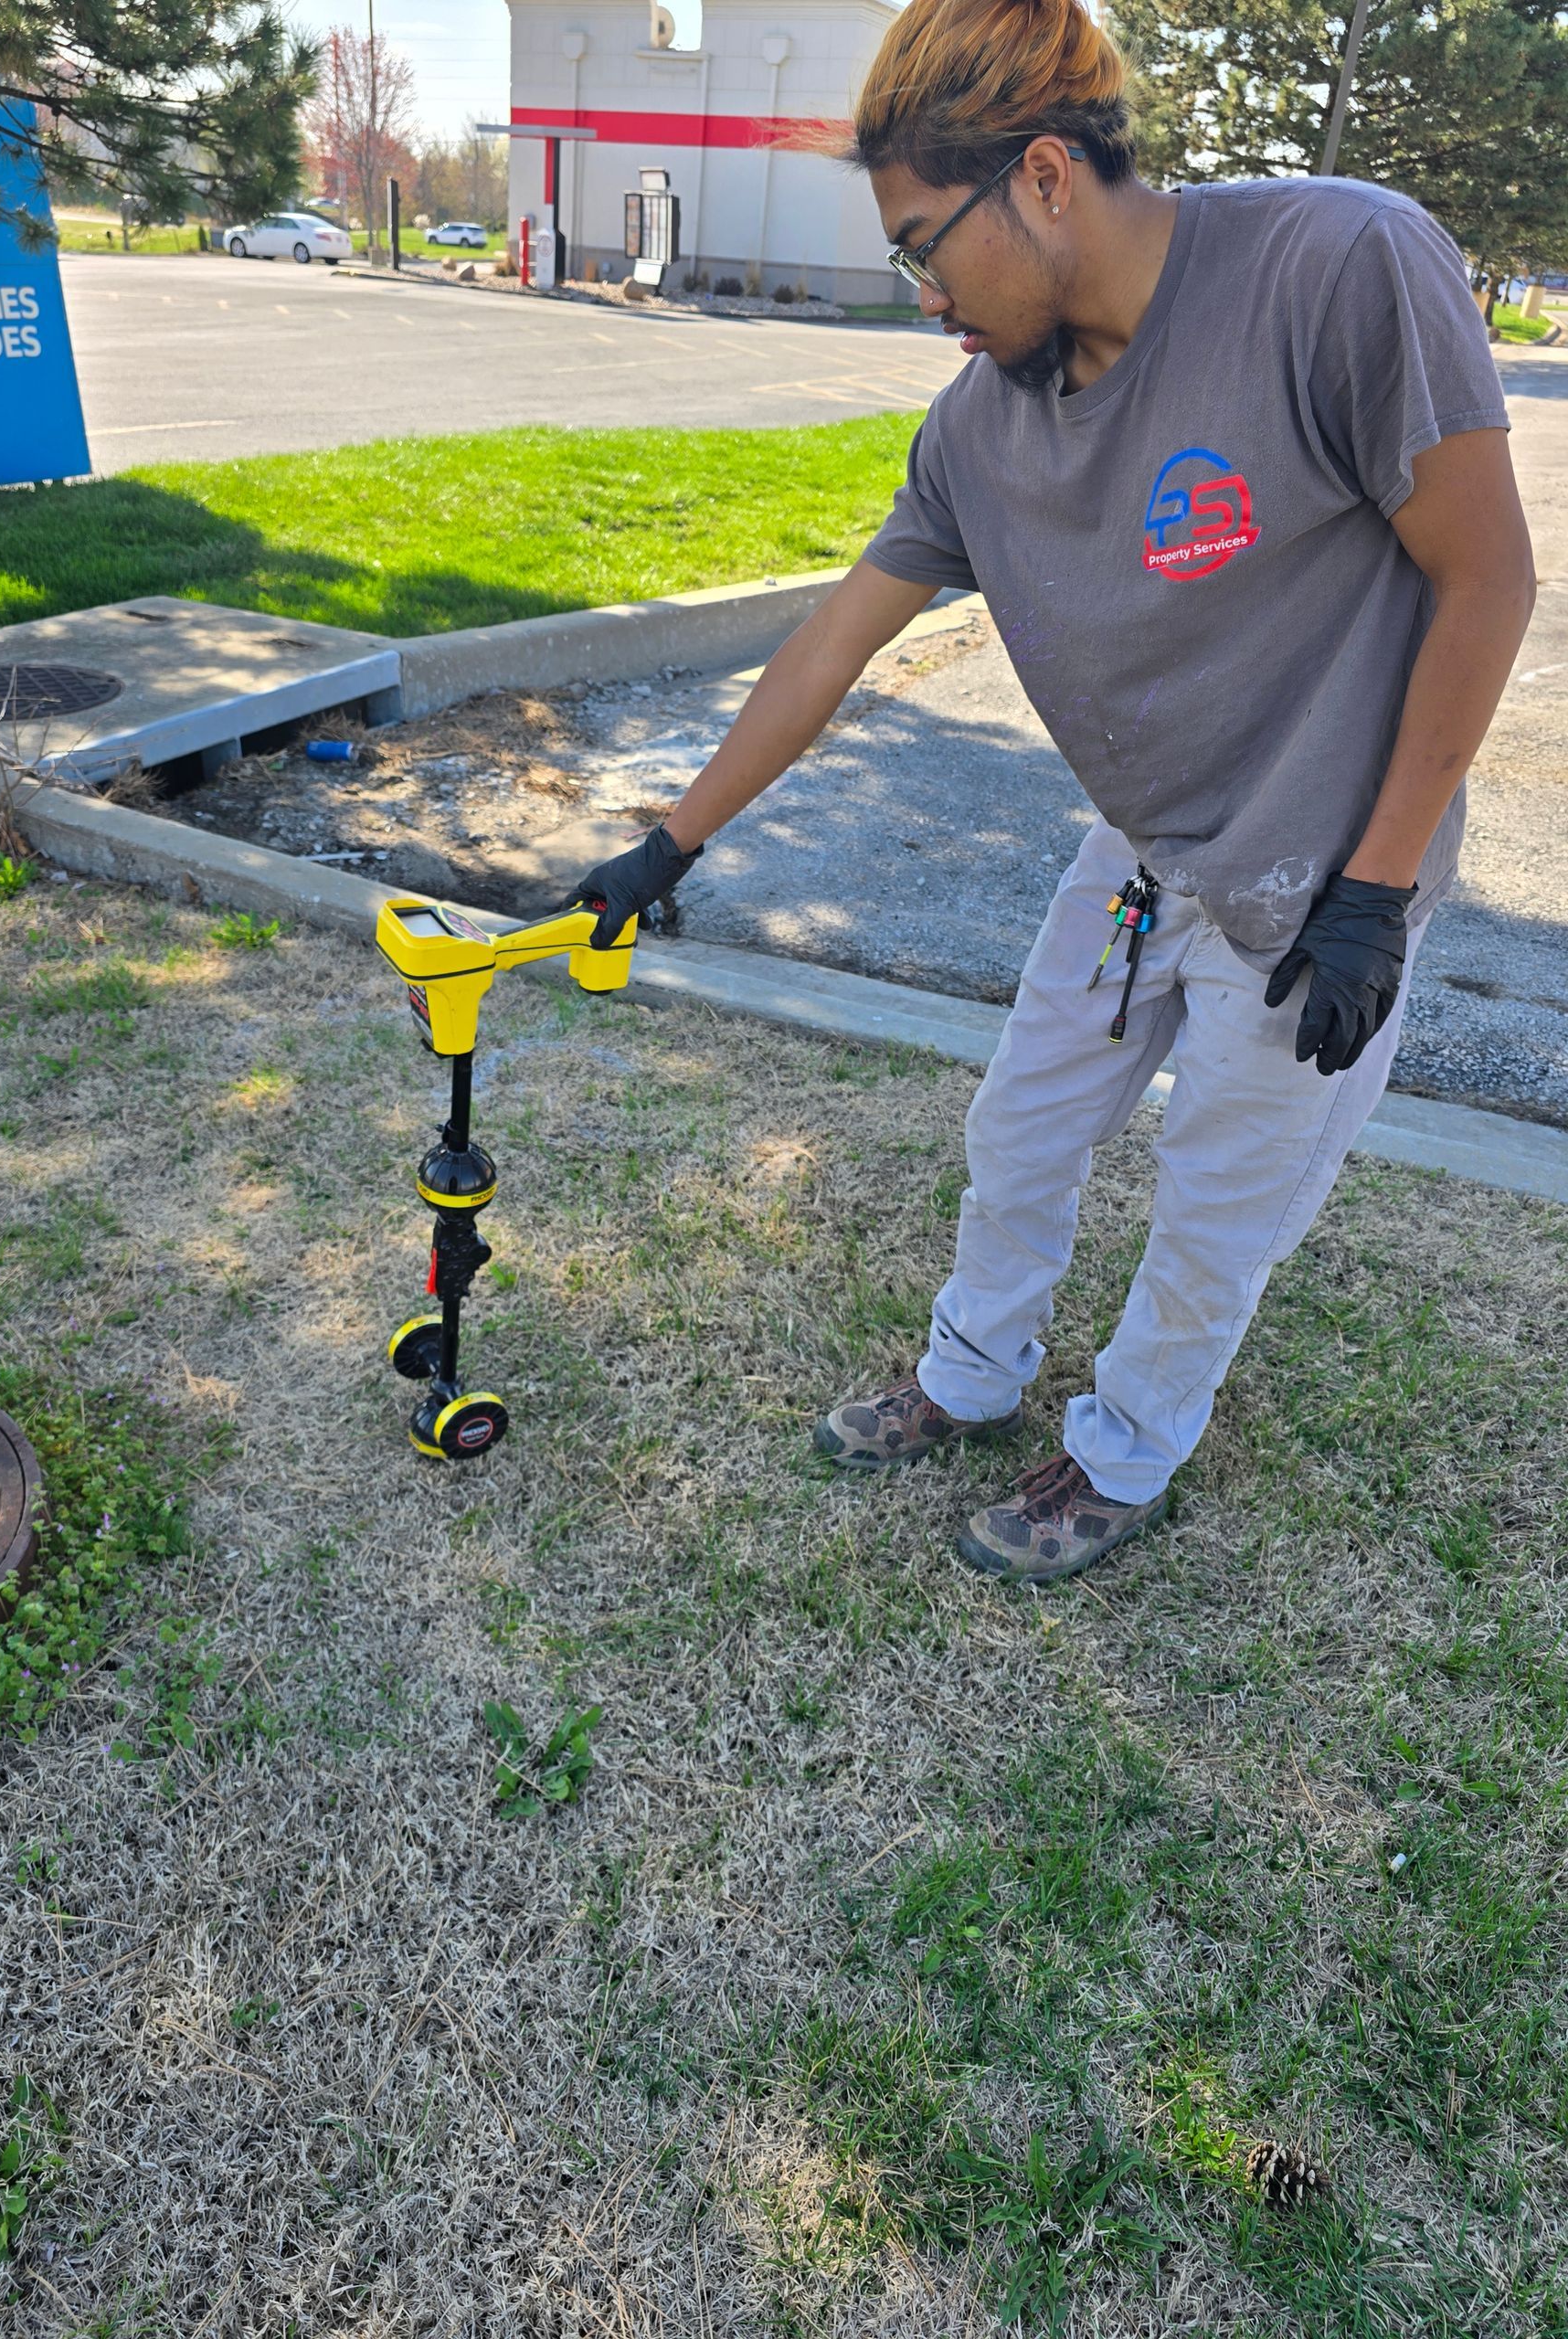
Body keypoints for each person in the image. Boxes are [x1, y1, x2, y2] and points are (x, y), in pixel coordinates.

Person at [575, 0, 1534, 1587]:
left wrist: (1374, 892)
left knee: (1217, 1198)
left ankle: (1123, 1453)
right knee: (1021, 1123)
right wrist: (668, 841)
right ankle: (969, 1373)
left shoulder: (1337, 265)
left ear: (1038, 177)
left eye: (921, 249)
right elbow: (832, 644)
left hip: (1321, 875)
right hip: (1146, 850)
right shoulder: (980, 428)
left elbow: (1486, 582)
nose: (925, 295)